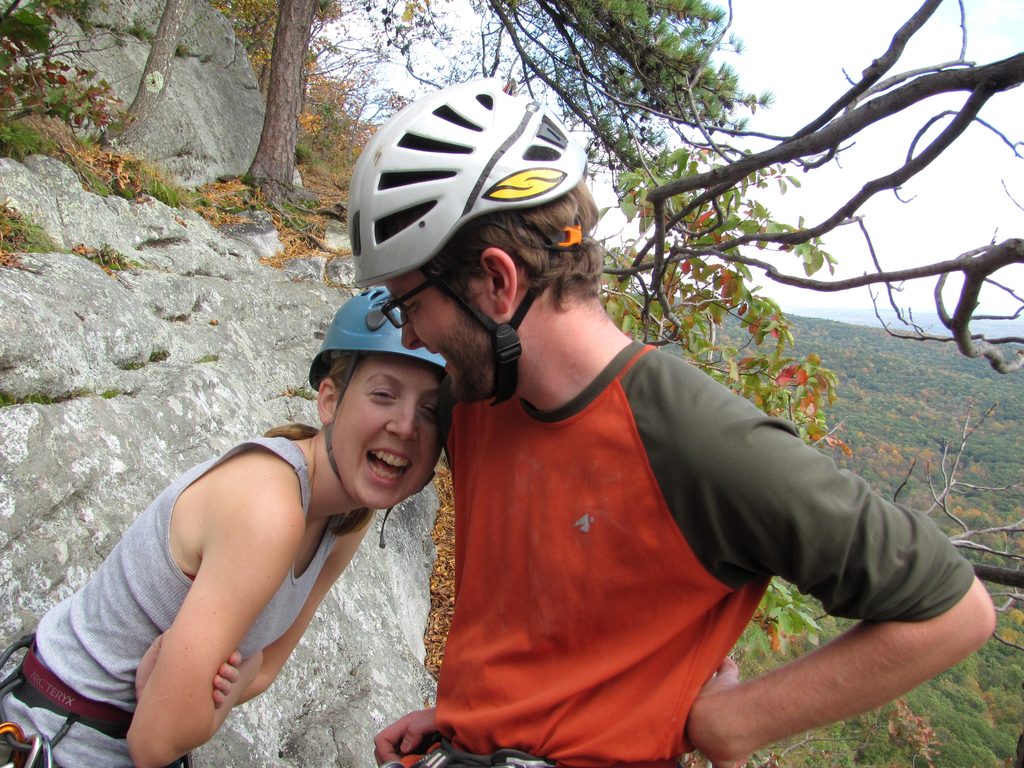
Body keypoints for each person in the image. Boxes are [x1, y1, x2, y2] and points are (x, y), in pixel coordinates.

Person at [347, 79, 997, 768]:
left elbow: (955, 613)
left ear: (498, 284)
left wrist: (737, 721)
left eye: (410, 305)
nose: (412, 337)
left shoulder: (692, 438)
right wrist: (469, 719)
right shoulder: (477, 398)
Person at [0, 288, 446, 768]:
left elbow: (264, 668)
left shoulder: (348, 518)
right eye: (384, 395)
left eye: (431, 410)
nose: (405, 426)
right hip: (61, 737)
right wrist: (210, 704)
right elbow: (156, 741)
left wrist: (224, 681)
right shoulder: (267, 507)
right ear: (329, 401)